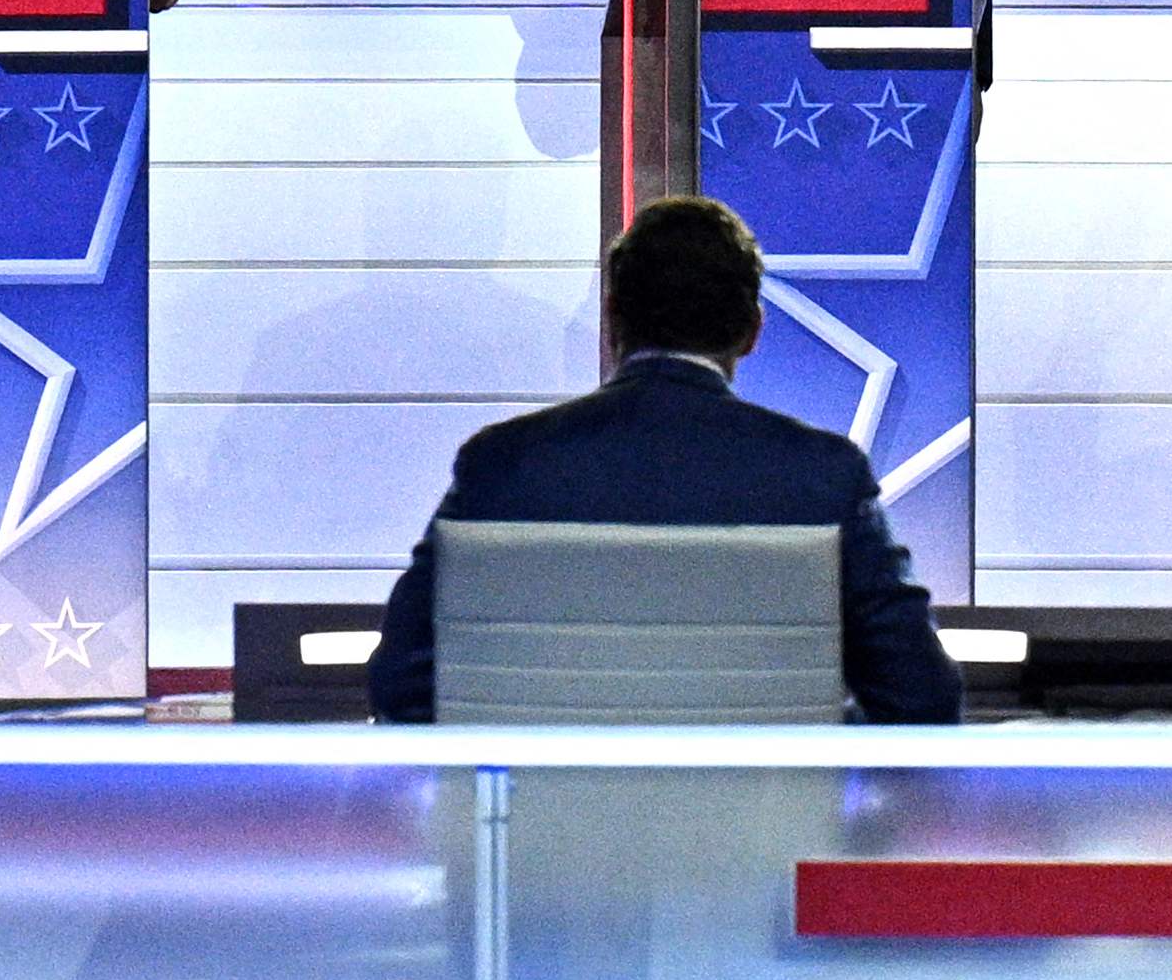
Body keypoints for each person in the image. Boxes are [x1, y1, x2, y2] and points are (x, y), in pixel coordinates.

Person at [363, 193, 961, 723]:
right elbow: (920, 699)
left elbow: (400, 685)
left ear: (612, 319)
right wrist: (811, 739)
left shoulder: (501, 466)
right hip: (767, 842)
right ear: (752, 331)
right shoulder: (825, 478)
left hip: (538, 844)